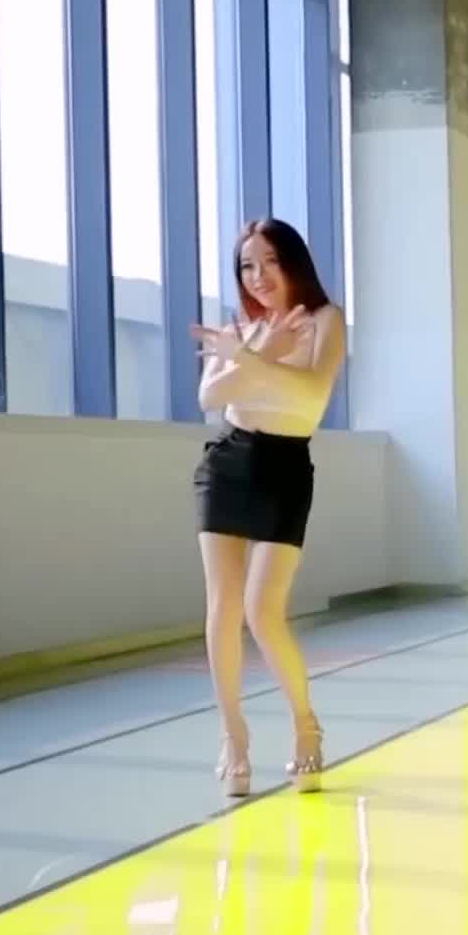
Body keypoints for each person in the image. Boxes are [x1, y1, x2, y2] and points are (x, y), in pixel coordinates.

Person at [190, 218, 346, 796]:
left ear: (293, 262)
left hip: (286, 468)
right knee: (222, 606)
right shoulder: (242, 328)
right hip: (228, 462)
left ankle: (306, 725)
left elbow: (311, 394)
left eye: (269, 261)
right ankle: (233, 736)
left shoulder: (325, 321)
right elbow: (210, 396)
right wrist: (254, 352)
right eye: (246, 266)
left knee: (263, 611)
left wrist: (255, 362)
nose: (257, 276)